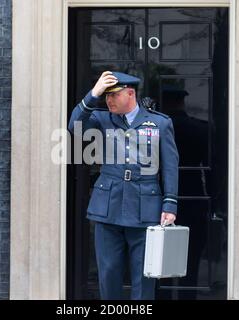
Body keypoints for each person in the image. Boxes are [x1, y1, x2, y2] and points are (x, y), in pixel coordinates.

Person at [68, 71, 179, 300]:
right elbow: (74, 126)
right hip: (108, 207)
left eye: (113, 95)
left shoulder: (159, 123)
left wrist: (170, 204)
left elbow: (169, 166)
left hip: (145, 208)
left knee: (144, 276)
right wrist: (93, 93)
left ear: (131, 94)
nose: (108, 100)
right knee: (108, 274)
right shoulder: (101, 119)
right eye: (105, 95)